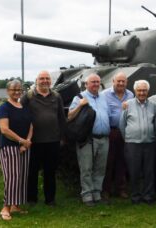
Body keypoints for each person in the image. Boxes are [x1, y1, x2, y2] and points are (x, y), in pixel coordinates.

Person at [21, 70, 66, 206]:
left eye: (47, 78)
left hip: (52, 140)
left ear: (50, 81)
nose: (45, 81)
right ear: (37, 80)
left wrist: (63, 137)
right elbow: (21, 116)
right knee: (32, 172)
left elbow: (61, 118)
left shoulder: (56, 96)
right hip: (33, 141)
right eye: (42, 79)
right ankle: (31, 199)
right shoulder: (28, 96)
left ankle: (50, 199)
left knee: (50, 172)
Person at [68, 73, 111, 206]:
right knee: (87, 168)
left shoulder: (103, 97)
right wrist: (80, 105)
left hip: (104, 138)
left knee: (100, 168)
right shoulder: (79, 97)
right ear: (86, 84)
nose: (96, 85)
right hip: (87, 139)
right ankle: (87, 195)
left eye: (98, 82)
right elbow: (69, 116)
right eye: (93, 82)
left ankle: (97, 193)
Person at [0, 80, 33, 221]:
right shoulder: (4, 107)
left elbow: (31, 124)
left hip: (24, 147)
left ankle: (15, 206)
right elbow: (4, 129)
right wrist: (21, 141)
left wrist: (27, 141)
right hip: (9, 146)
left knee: (22, 177)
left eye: (19, 89)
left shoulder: (23, 106)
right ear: (8, 91)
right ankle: (5, 207)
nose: (17, 92)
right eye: (14, 90)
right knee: (12, 177)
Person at [120, 80, 156, 204]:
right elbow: (122, 124)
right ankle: (135, 196)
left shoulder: (152, 105)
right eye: (139, 90)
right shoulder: (127, 105)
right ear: (135, 91)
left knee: (149, 171)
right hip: (132, 143)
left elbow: (155, 123)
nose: (142, 93)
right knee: (134, 171)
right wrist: (128, 138)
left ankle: (147, 196)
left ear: (148, 91)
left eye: (144, 90)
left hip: (149, 143)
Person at [101, 72, 134, 200]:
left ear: (126, 82)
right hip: (111, 131)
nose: (121, 83)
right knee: (108, 162)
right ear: (113, 81)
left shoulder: (130, 94)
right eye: (118, 81)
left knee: (122, 161)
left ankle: (121, 189)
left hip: (125, 131)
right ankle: (106, 190)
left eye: (123, 81)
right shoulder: (105, 95)